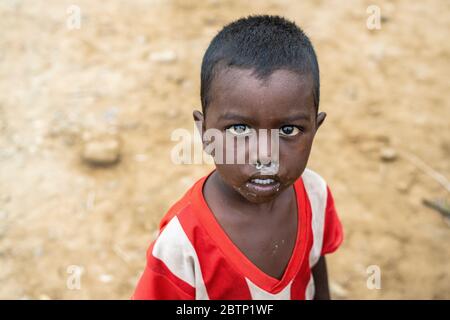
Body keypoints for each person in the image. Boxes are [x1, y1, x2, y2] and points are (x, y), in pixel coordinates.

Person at [133, 15, 343, 300]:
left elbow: (316, 269)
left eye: (289, 129)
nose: (265, 155)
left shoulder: (314, 193)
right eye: (239, 129)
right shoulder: (182, 243)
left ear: (315, 128)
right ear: (205, 132)